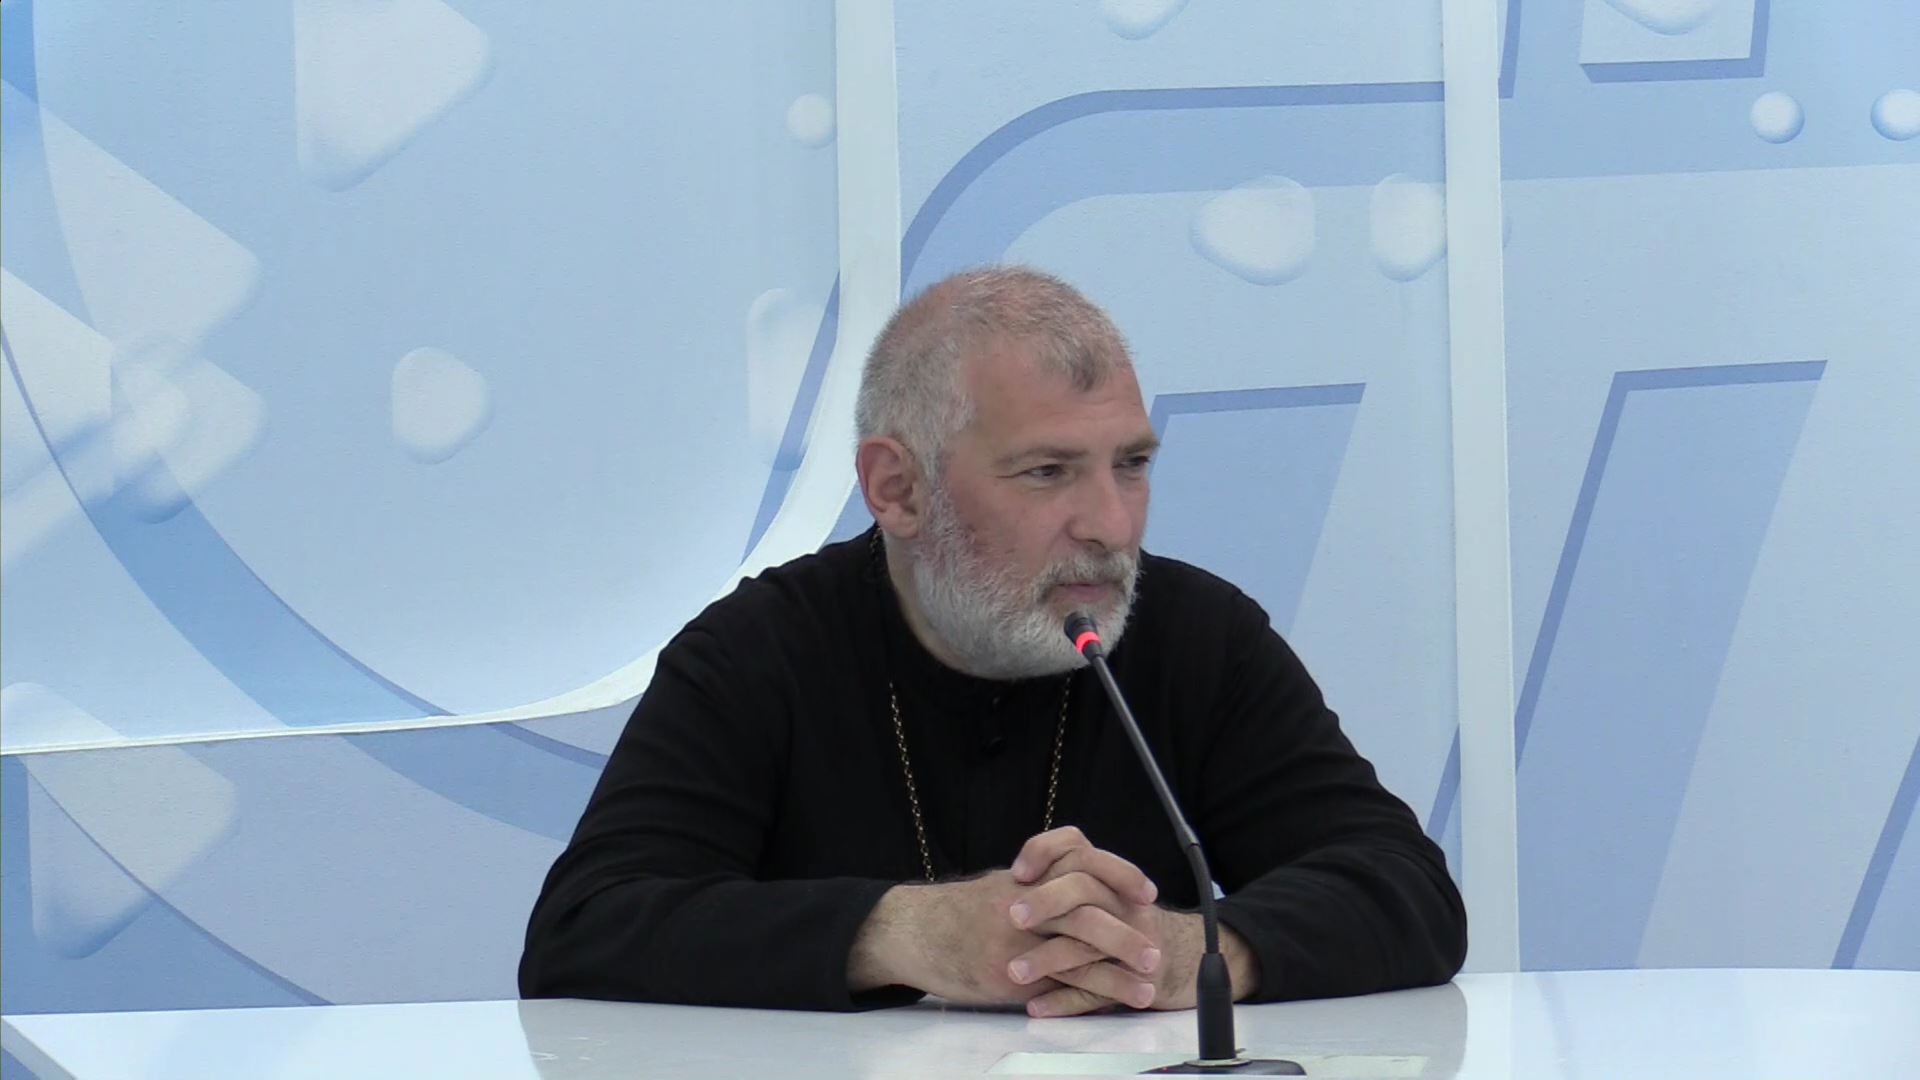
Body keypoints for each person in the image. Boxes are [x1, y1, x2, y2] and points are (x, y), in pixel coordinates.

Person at [519, 267, 1466, 1017]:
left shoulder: (1197, 638)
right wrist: (902, 934)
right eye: (1048, 472)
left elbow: (1408, 891)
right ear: (898, 490)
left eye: (1132, 464)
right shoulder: (759, 649)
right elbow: (585, 928)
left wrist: (1189, 954)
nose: (1111, 525)